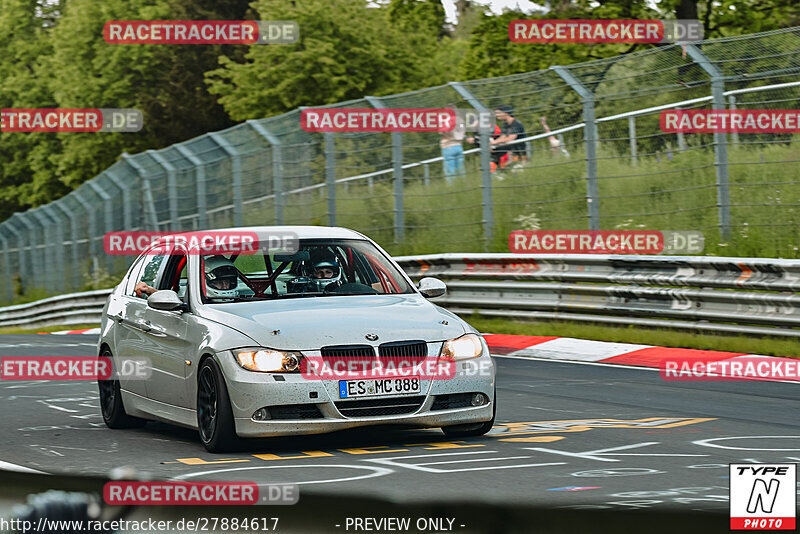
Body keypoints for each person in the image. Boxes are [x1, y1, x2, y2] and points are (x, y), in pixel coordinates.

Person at [490, 104, 527, 172]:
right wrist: (492, 144)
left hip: (522, 151)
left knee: (521, 171)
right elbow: (503, 136)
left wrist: (495, 142)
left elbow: (511, 138)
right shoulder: (505, 124)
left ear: (505, 113)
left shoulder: (516, 123)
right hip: (512, 152)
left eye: (498, 113)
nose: (496, 115)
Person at [440, 104, 466, 182]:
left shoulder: (445, 120)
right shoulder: (460, 120)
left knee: (450, 171)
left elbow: (442, 131)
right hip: (458, 146)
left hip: (448, 146)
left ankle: (452, 187)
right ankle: (463, 184)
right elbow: (462, 133)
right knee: (461, 169)